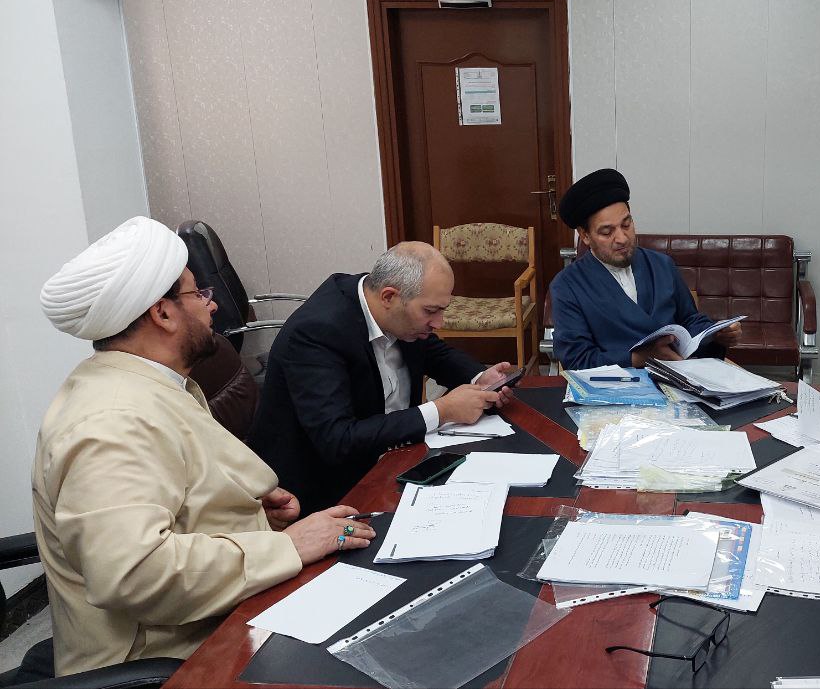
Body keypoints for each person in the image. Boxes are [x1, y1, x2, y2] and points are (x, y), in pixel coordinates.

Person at [33, 217, 375, 677]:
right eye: (199, 294)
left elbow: (171, 488)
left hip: (213, 619)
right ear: (163, 313)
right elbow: (135, 574)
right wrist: (287, 546)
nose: (212, 306)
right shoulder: (112, 422)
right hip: (169, 661)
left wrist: (246, 514)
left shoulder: (144, 382)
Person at [249, 242, 514, 514]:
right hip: (324, 493)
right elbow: (338, 440)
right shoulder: (317, 333)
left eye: (442, 310)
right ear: (389, 297)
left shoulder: (391, 305)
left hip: (396, 460)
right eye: (430, 311)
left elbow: (432, 352)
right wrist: (441, 410)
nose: (439, 323)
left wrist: (479, 377)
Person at [550, 168, 740, 370]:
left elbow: (690, 320)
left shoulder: (661, 265)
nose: (622, 239)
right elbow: (577, 359)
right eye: (607, 232)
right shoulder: (567, 285)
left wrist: (716, 334)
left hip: (679, 377)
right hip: (617, 385)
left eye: (626, 224)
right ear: (585, 236)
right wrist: (638, 358)